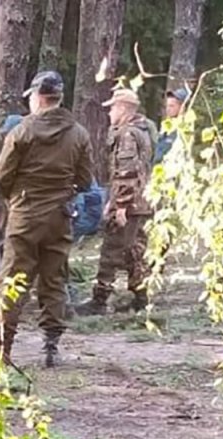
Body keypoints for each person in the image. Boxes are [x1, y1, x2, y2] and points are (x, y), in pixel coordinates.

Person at [0, 70, 93, 367]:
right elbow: (86, 180)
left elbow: (2, 176)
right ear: (58, 98)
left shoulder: (22, 131)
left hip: (25, 214)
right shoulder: (79, 133)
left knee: (13, 278)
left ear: (38, 97)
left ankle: (3, 348)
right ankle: (51, 347)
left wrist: (17, 198)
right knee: (54, 279)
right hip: (60, 215)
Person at [77, 88, 153, 316]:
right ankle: (141, 297)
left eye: (112, 107)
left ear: (124, 109)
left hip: (130, 203)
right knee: (134, 251)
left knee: (111, 249)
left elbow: (127, 172)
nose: (109, 112)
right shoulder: (143, 130)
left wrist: (120, 204)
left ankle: (100, 299)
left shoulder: (127, 134)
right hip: (141, 202)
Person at [154, 87, 189, 161]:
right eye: (167, 106)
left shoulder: (186, 125)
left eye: (172, 106)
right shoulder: (167, 125)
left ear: (182, 107)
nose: (168, 109)